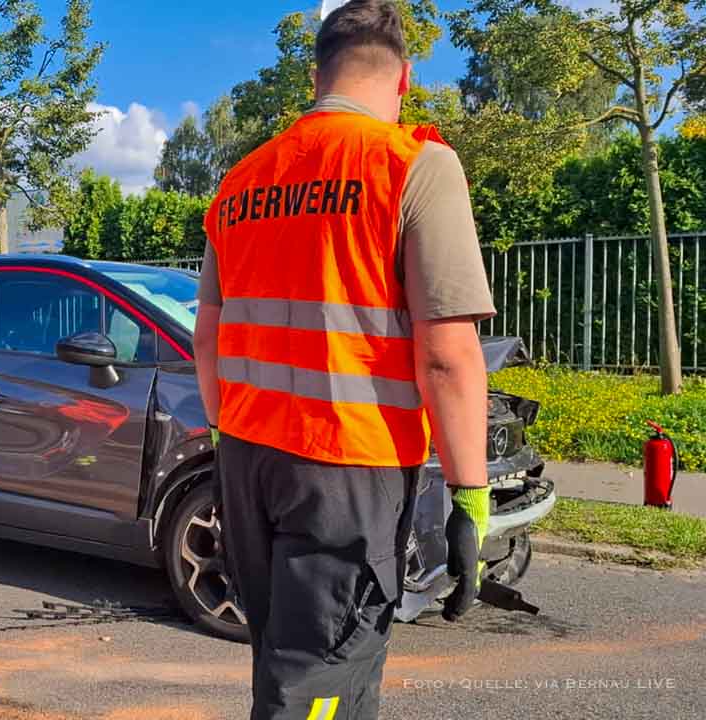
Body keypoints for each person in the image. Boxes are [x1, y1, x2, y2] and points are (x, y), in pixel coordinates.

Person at [192, 1, 495, 717]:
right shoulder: (415, 166)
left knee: (286, 660)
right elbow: (448, 355)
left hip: (246, 457)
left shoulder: (241, 181)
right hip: (348, 472)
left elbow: (209, 336)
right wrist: (470, 496)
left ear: (315, 75)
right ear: (406, 77)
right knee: (317, 682)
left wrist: (222, 434)